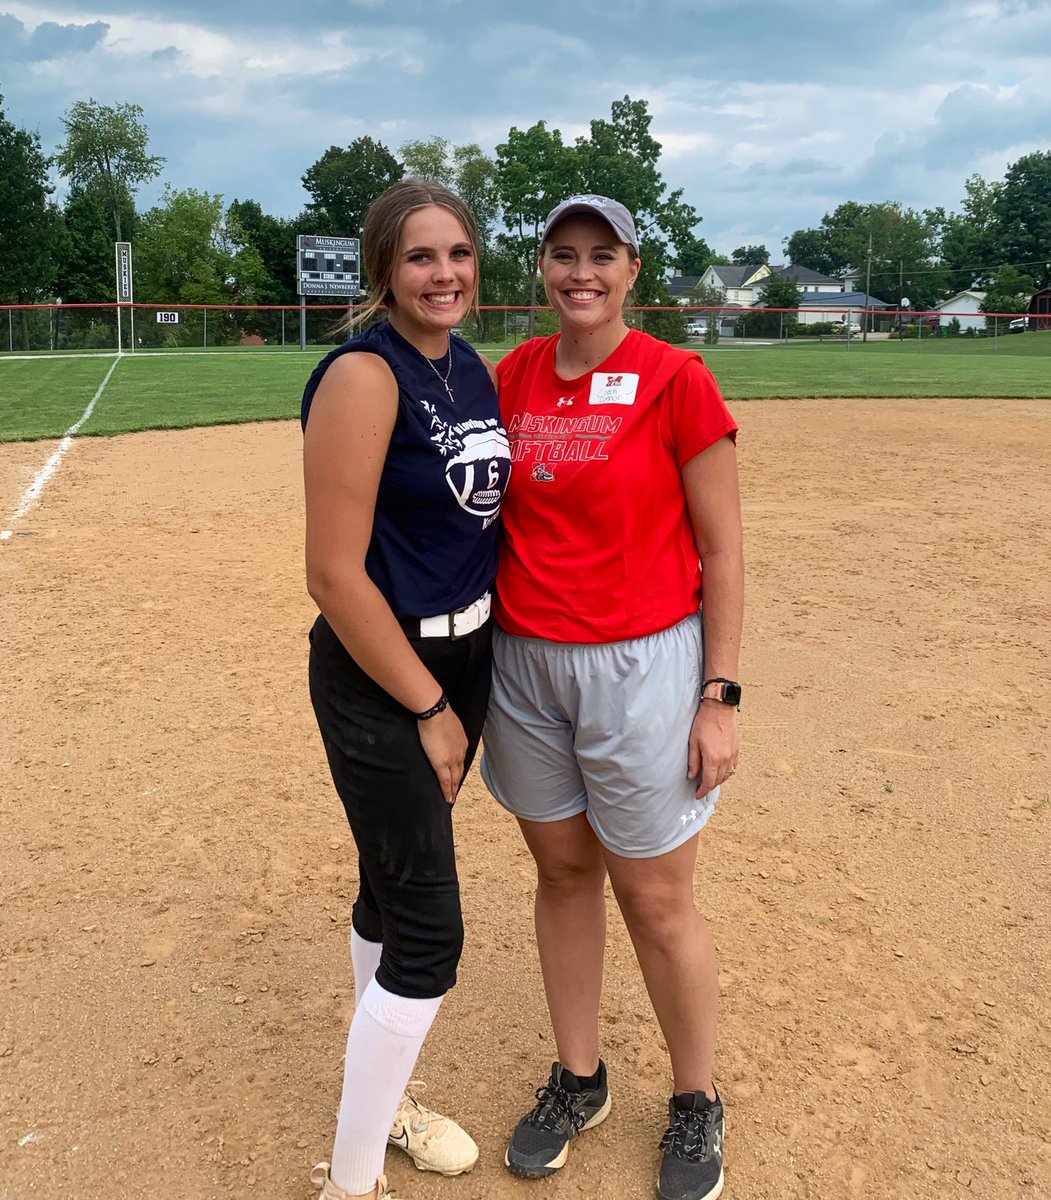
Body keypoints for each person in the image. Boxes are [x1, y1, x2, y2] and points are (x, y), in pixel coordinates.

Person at [481, 194, 743, 1200]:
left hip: (640, 661)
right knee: (560, 872)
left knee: (654, 895)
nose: (579, 271)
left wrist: (716, 693)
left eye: (601, 254)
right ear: (540, 269)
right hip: (525, 664)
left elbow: (721, 551)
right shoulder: (512, 376)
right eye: (562, 254)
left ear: (632, 269)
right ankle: (579, 1078)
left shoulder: (676, 379)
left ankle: (694, 1098)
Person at [301, 180, 511, 1200]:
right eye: (421, 256)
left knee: (389, 888)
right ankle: (350, 1186)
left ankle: (389, 1108)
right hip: (385, 672)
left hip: (464, 662)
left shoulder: (468, 368)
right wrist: (427, 708)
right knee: (429, 932)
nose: (444, 274)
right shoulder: (362, 375)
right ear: (384, 269)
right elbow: (334, 575)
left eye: (459, 254)